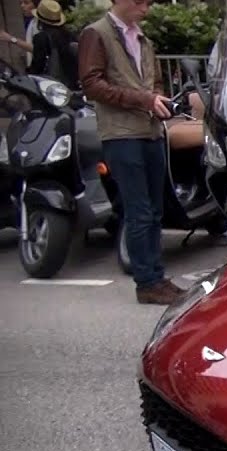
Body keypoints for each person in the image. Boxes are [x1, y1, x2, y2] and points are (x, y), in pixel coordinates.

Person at [78, 0, 181, 305]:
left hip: (151, 131)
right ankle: (146, 282)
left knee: (155, 210)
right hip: (122, 134)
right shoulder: (96, 34)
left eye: (149, 3)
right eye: (140, 2)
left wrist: (160, 100)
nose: (145, 8)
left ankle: (157, 276)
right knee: (138, 211)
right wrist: (144, 100)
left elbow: (155, 81)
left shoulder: (143, 39)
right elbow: (92, 85)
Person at [27, 1, 78, 89]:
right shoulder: (70, 35)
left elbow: (38, 66)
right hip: (72, 85)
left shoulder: (41, 38)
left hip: (51, 87)